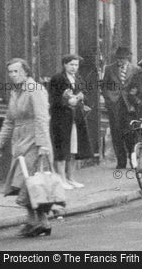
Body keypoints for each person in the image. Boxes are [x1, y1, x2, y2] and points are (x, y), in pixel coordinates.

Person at [0, 58, 55, 238]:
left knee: (31, 183)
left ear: (26, 72)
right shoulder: (15, 92)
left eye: (16, 71)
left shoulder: (35, 89)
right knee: (25, 183)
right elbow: (9, 121)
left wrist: (43, 144)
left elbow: (43, 117)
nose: (12, 75)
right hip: (19, 143)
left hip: (35, 141)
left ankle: (40, 221)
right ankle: (35, 221)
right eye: (10, 72)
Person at [49, 54, 92, 190]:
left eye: (76, 65)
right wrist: (67, 101)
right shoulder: (57, 78)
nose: (74, 68)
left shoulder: (78, 78)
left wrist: (80, 96)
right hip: (61, 118)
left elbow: (84, 91)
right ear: (65, 65)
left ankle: (70, 177)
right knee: (62, 148)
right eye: (71, 64)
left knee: (73, 148)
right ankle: (61, 178)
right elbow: (53, 98)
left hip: (76, 118)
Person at [101, 46, 139, 169]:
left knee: (130, 133)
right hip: (115, 105)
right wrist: (109, 99)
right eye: (118, 59)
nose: (119, 61)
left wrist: (135, 101)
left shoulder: (136, 70)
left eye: (122, 59)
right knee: (116, 133)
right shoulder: (109, 69)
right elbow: (104, 86)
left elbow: (138, 87)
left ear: (128, 58)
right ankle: (121, 161)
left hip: (129, 106)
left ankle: (133, 160)